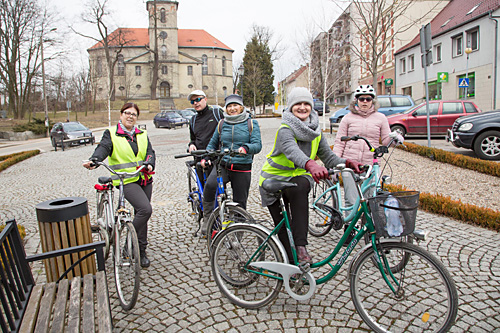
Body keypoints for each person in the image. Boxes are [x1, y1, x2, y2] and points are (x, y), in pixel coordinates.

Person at [259, 87, 363, 264]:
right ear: (290, 107)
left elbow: (328, 157)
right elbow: (292, 151)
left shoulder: (315, 131)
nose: (302, 107)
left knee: (301, 187)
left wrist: (346, 162)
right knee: (284, 227)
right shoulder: (285, 129)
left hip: (296, 181)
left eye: (306, 104)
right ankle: (290, 264)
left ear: (312, 107)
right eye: (297, 104)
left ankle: (301, 248)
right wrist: (311, 164)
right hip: (273, 180)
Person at [83, 103, 155, 268]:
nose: (130, 116)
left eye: (134, 114)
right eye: (127, 113)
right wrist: (94, 160)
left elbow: (150, 152)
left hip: (144, 178)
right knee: (145, 209)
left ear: (137, 117)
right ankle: (128, 241)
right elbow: (103, 148)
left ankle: (141, 250)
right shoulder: (112, 134)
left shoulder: (142, 134)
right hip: (125, 180)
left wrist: (150, 163)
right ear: (121, 115)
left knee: (141, 215)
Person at [199, 94, 262, 235]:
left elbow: (257, 145)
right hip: (224, 165)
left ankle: (239, 230)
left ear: (241, 107)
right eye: (229, 106)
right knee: (209, 186)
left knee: (240, 200)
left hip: (242, 167)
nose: (232, 109)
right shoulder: (222, 123)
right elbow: (212, 144)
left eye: (235, 105)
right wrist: (206, 157)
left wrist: (246, 148)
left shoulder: (251, 123)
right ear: (226, 109)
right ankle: (208, 219)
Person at [333, 84, 403, 210]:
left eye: (368, 99)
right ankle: (349, 227)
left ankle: (367, 227)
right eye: (361, 99)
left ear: (373, 101)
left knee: (370, 200)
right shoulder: (347, 118)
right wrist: (335, 164)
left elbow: (386, 140)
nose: (365, 102)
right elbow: (339, 142)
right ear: (356, 100)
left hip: (370, 164)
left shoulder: (381, 118)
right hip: (349, 163)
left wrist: (395, 138)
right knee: (351, 200)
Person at [187, 90, 224, 187]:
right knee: (203, 190)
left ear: (205, 99)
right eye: (193, 101)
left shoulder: (217, 113)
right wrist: (191, 145)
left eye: (198, 99)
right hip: (200, 158)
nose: (196, 103)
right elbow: (193, 139)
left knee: (218, 187)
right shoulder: (193, 120)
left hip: (216, 157)